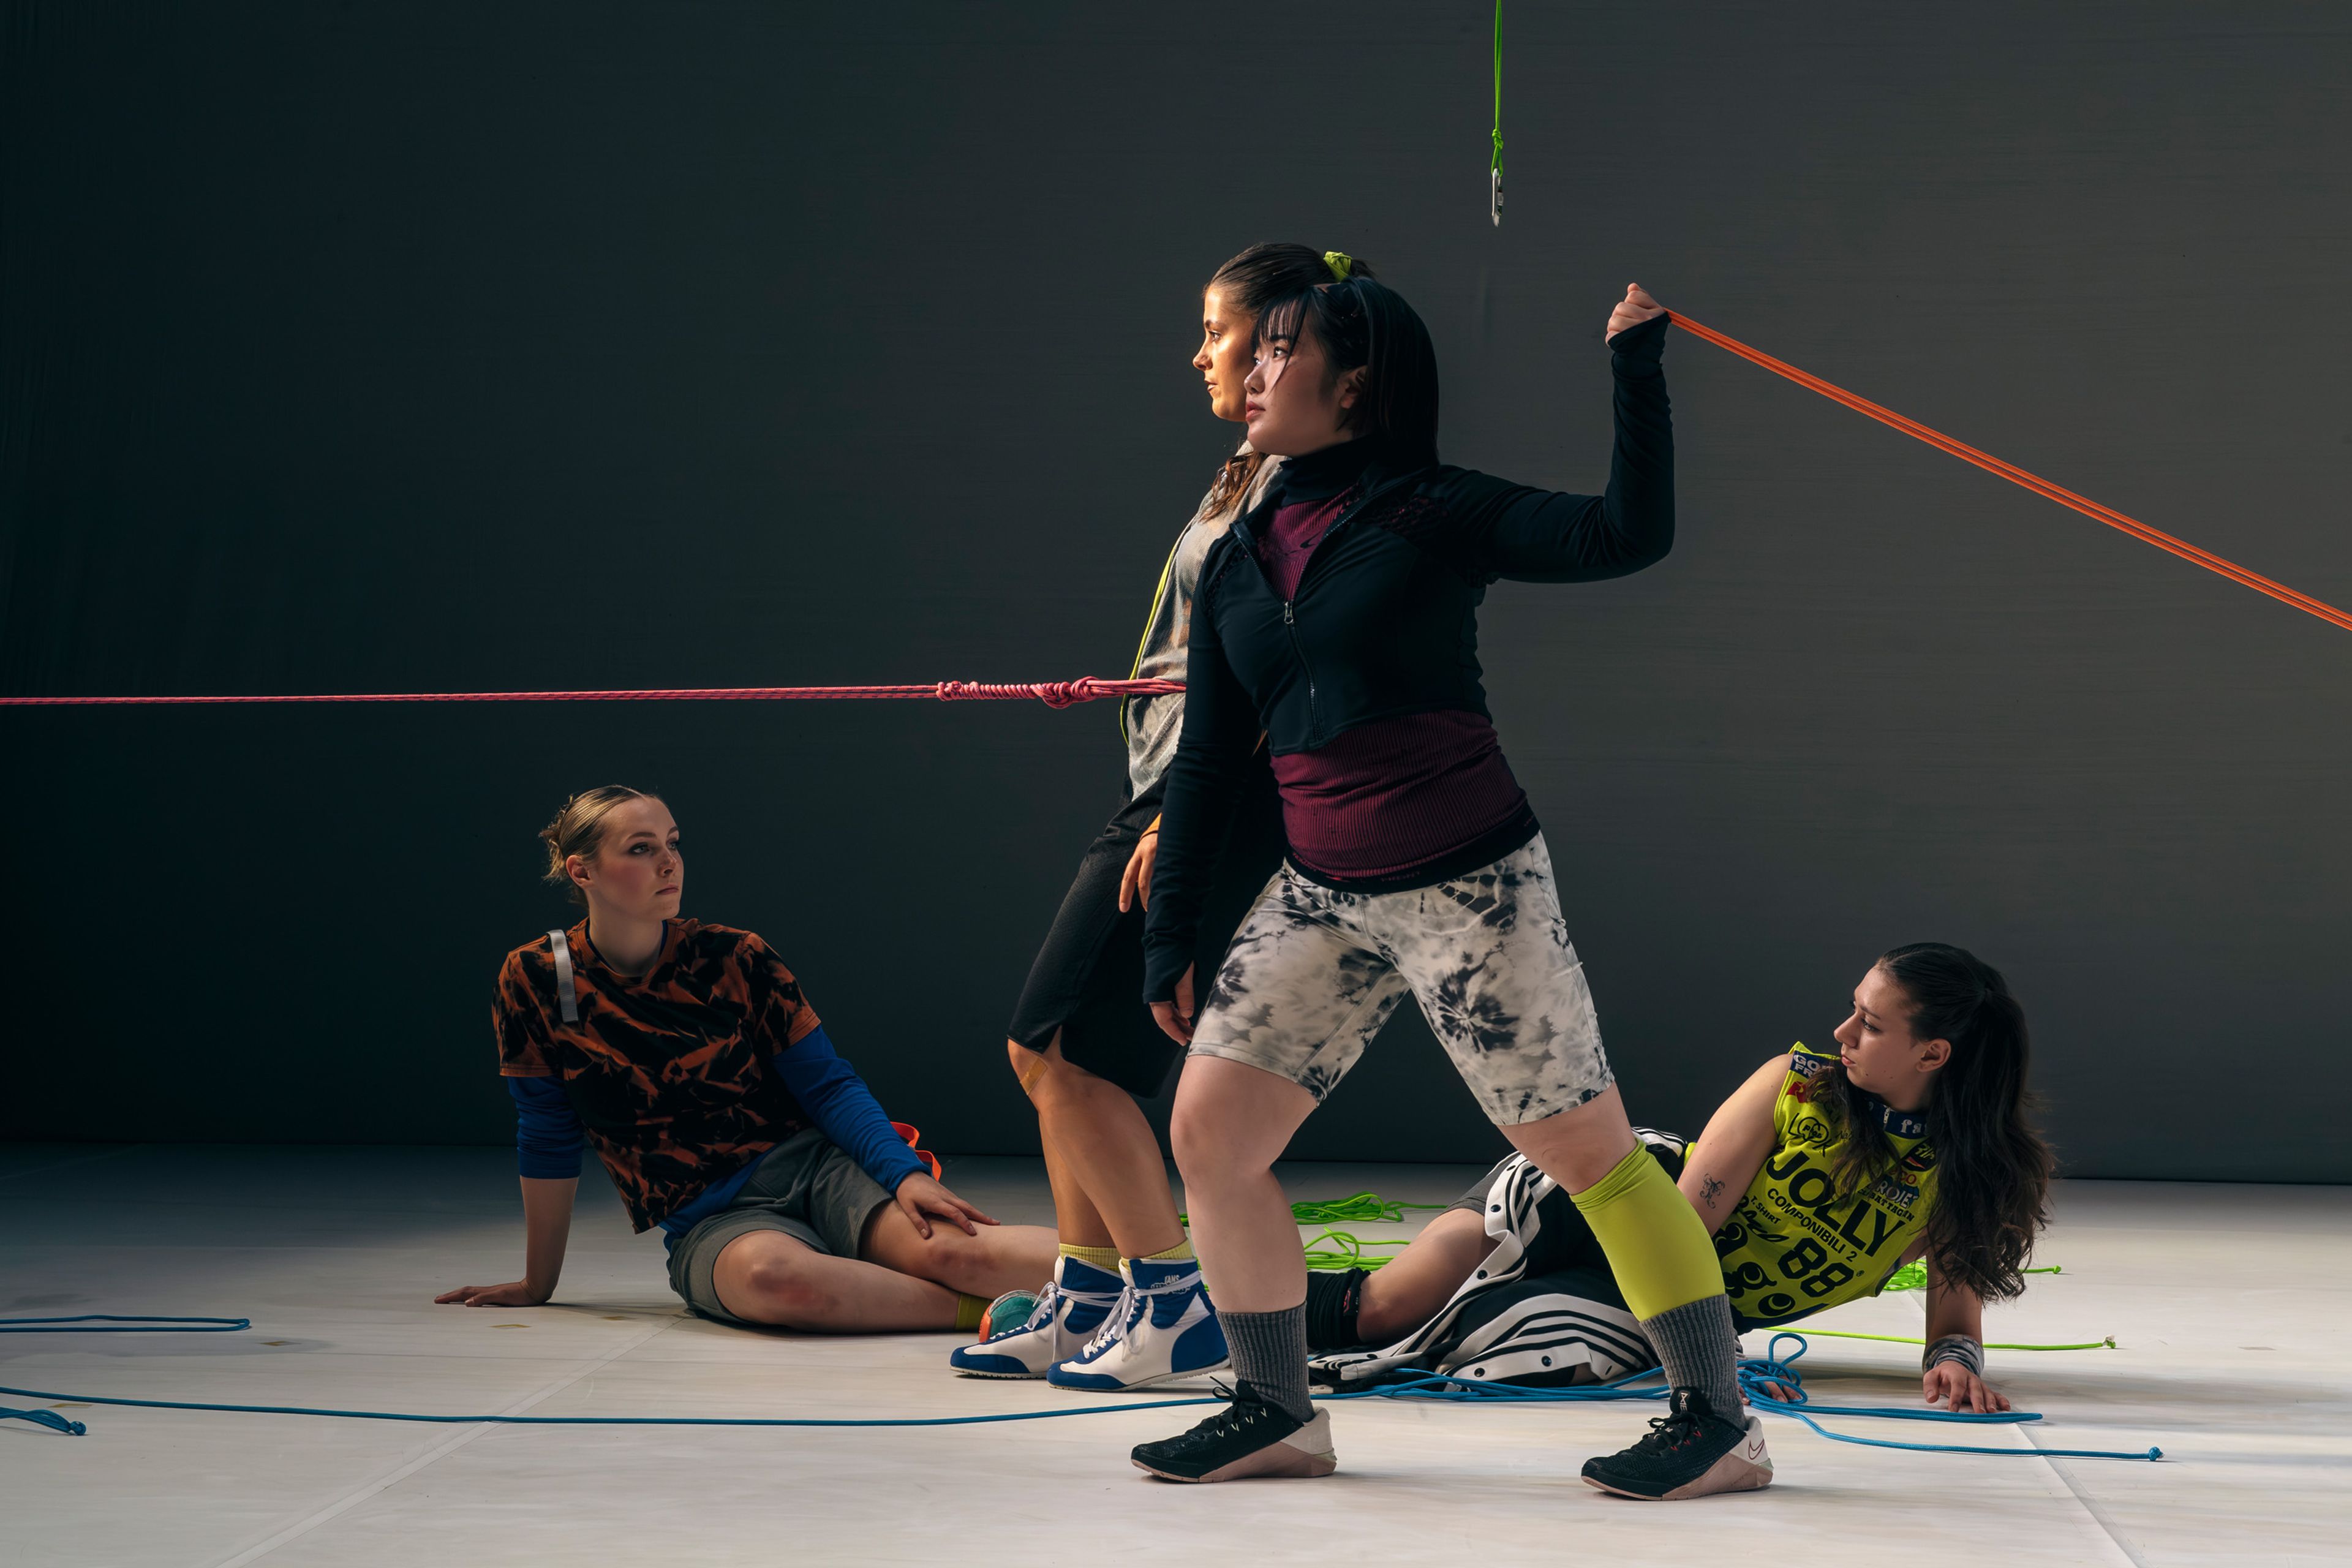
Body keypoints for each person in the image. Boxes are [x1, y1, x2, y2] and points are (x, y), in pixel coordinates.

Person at [1126, 268, 1766, 1500]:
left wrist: (1635, 370)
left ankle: (1719, 1418)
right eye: (1245, 353)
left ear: (1352, 382)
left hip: (1470, 884)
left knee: (1587, 1152)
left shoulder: (1427, 510)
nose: (1248, 374)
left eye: (1277, 352)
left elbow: (1623, 535)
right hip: (1320, 889)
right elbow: (1208, 756)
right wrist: (1172, 934)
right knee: (1209, 1133)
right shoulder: (1236, 552)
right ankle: (1274, 1407)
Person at [952, 246, 1365, 1390]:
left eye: (1222, 335)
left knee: (1058, 1051)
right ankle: (1090, 1292)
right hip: (1170, 786)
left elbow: (1280, 678)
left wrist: (1180, 823)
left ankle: (1174, 1303)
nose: (1202, 355)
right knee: (1058, 1056)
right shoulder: (1251, 465)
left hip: (1211, 795)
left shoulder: (1307, 487)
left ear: (1283, 349)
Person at [1305, 944, 2053, 1422]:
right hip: (1625, 1211)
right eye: (1854, 1009)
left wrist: (1954, 1366)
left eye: (1871, 1023)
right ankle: (1218, 1310)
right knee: (1388, 1308)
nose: (1842, 1032)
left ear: (1933, 1055)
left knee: (1477, 1342)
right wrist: (1709, 1358)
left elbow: (1953, 1321)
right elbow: (1681, 1227)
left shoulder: (1964, 1181)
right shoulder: (1796, 1087)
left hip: (1686, 1299)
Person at [437, 786, 1057, 1330]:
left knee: (958, 1254)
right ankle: (999, 1316)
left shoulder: (735, 956)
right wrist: (537, 1284)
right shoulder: (536, 975)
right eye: (641, 848)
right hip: (711, 1221)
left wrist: (904, 1174)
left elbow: (828, 1085)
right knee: (776, 1279)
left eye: (672, 843)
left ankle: (1143, 1275)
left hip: (816, 1169)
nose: (669, 861)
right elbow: (547, 1133)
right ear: (582, 871)